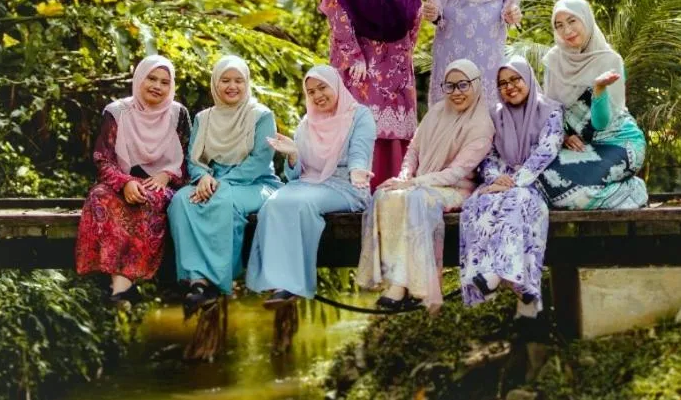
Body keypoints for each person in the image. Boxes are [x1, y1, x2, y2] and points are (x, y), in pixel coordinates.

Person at [356, 59, 494, 312]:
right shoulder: (437, 112)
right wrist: (404, 176)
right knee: (386, 195)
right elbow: (413, 151)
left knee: (414, 198)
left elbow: (457, 173)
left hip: (456, 190)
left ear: (476, 84)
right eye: (450, 86)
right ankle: (394, 280)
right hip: (420, 183)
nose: (457, 92)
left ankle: (409, 286)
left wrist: (412, 182)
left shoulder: (482, 124)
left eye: (463, 85)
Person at [245, 65, 374, 306]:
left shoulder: (359, 115)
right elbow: (295, 176)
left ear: (335, 85)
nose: (317, 96)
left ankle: (290, 284)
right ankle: (277, 282)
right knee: (273, 204)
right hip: (308, 184)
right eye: (311, 91)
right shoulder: (307, 122)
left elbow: (360, 152)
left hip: (346, 186)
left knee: (300, 204)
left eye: (322, 87)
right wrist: (293, 154)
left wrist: (358, 171)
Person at [168, 55, 282, 315]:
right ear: (215, 84)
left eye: (238, 80)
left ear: (247, 83)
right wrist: (203, 177)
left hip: (255, 183)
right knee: (180, 201)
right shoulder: (204, 118)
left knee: (222, 200)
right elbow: (193, 159)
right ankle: (196, 280)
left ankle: (218, 280)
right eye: (225, 80)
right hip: (211, 181)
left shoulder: (261, 115)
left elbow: (260, 162)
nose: (232, 86)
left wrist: (219, 183)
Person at [319, 0, 421, 190]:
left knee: (395, 135)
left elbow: (415, 12)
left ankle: (394, 188)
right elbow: (336, 13)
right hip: (360, 65)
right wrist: (354, 56)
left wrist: (401, 53)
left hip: (396, 67)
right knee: (362, 127)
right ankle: (357, 191)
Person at [75, 55, 190, 302]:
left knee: (149, 199)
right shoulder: (117, 112)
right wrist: (125, 182)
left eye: (164, 82)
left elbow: (188, 160)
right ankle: (122, 286)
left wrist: (167, 175)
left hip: (161, 182)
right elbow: (102, 158)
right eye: (151, 78)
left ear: (171, 87)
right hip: (121, 180)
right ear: (139, 78)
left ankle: (123, 285)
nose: (157, 86)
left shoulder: (178, 114)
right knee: (99, 196)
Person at [459, 56, 563, 319]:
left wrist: (516, 181)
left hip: (534, 182)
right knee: (476, 203)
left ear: (527, 78)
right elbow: (488, 154)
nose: (510, 87)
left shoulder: (550, 110)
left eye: (515, 79)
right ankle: (514, 287)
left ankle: (496, 277)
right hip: (500, 182)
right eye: (503, 83)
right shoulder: (494, 115)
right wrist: (495, 179)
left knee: (516, 204)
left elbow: (547, 151)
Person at [542, 0, 648, 209]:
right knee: (544, 179)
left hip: (619, 143)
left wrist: (599, 89)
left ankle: (633, 190)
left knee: (573, 194)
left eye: (572, 21)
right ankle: (618, 194)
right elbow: (549, 111)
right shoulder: (554, 61)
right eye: (559, 25)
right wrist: (564, 136)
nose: (567, 31)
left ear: (586, 20)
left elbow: (602, 123)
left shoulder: (610, 60)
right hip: (583, 148)